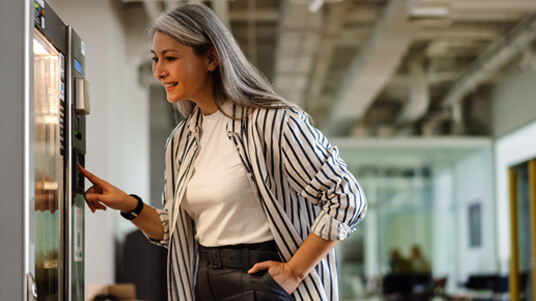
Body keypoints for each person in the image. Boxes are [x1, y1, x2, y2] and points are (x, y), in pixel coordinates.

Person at [78, 4, 367, 301]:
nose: (159, 71)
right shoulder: (181, 141)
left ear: (211, 58)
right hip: (203, 281)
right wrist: (126, 203)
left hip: (259, 281)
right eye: (155, 59)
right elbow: (176, 232)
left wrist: (294, 271)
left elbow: (347, 197)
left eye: (170, 58)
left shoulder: (272, 122)